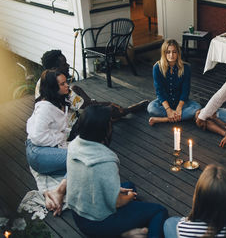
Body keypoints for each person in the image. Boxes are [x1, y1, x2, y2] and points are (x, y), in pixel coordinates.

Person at [64, 105, 168, 237]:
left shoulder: (74, 145)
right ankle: (119, 232)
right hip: (98, 222)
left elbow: (88, 180)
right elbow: (117, 202)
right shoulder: (104, 160)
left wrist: (118, 191)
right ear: (104, 129)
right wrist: (129, 197)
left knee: (129, 186)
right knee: (158, 211)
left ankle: (126, 233)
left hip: (79, 216)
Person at [37, 50, 149, 139]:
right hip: (71, 131)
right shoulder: (56, 88)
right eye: (64, 63)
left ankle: (119, 113)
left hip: (68, 121)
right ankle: (129, 110)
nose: (68, 65)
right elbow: (88, 106)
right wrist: (109, 105)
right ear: (54, 69)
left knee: (76, 89)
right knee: (107, 111)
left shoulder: (43, 83)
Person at [164, 164, 226, 237]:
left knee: (170, 223)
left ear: (198, 198)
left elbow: (183, 224)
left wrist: (187, 221)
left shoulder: (183, 229)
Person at [26, 69, 70, 176]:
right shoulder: (44, 108)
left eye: (66, 82)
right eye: (62, 84)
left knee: (80, 168)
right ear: (53, 87)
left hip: (48, 148)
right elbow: (37, 137)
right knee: (80, 158)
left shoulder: (59, 101)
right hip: (38, 152)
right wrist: (60, 138)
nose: (67, 85)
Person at [147, 39, 201, 125]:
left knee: (197, 107)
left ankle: (163, 119)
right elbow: (159, 92)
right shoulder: (157, 68)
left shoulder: (186, 68)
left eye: (174, 52)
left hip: (181, 102)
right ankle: (175, 116)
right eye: (168, 52)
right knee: (151, 108)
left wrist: (179, 107)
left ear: (178, 53)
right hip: (165, 103)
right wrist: (168, 109)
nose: (171, 55)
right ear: (164, 53)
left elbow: (185, 91)